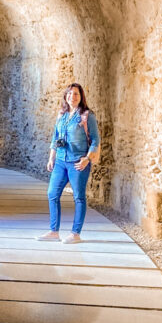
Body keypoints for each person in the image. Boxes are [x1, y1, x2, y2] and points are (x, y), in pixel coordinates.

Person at [37, 83, 100, 244]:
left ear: (81, 97)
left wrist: (87, 159)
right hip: (60, 161)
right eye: (70, 94)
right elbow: (55, 137)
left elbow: (95, 140)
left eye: (76, 94)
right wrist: (51, 158)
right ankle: (53, 231)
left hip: (78, 162)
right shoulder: (62, 115)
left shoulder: (87, 116)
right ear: (66, 96)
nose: (73, 96)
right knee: (52, 194)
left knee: (79, 197)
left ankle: (75, 233)